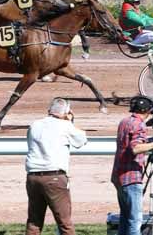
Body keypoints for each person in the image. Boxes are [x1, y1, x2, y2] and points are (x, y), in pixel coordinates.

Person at [111, 96, 153, 235]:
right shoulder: (139, 124)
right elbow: (136, 148)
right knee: (134, 220)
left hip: (119, 175)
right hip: (131, 177)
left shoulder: (125, 121)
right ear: (147, 110)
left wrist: (151, 141)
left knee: (125, 217)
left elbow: (129, 143)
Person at [24, 98, 87, 235]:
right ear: (66, 113)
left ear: (49, 111)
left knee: (34, 221)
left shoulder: (35, 124)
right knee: (65, 222)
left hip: (33, 177)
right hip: (54, 177)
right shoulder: (65, 125)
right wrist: (69, 121)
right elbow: (81, 140)